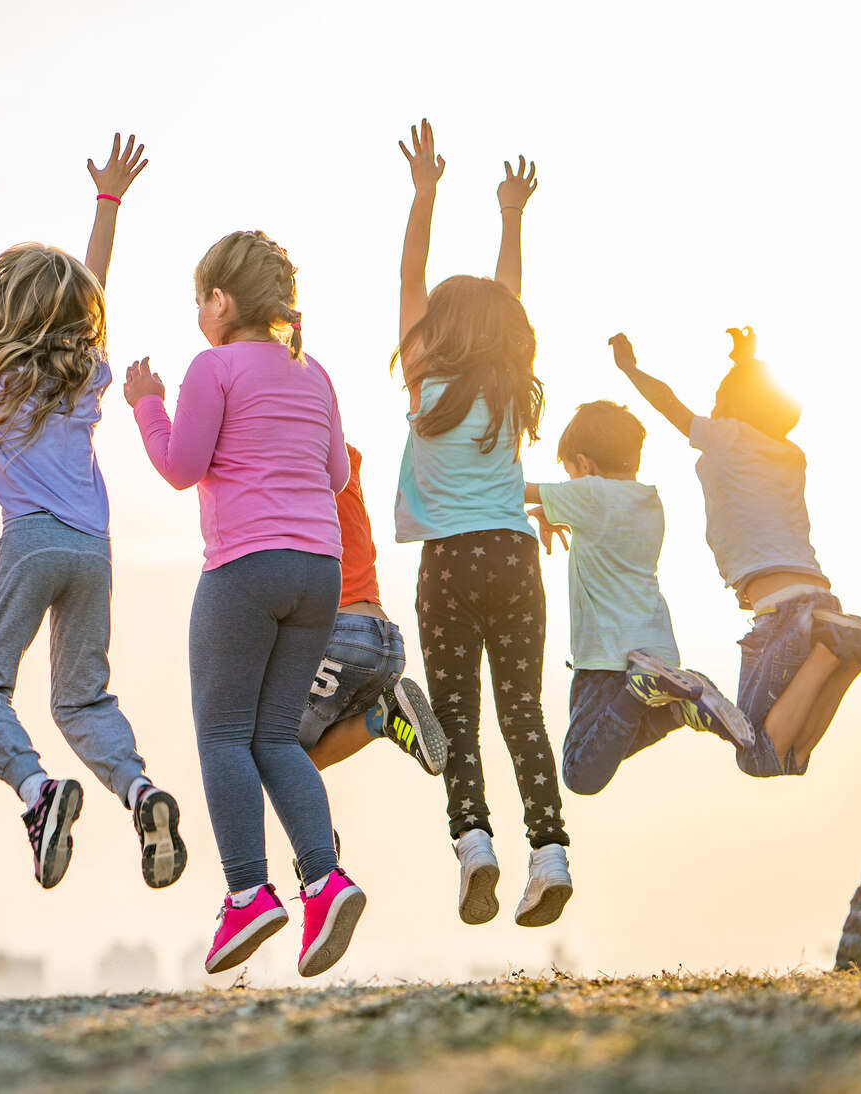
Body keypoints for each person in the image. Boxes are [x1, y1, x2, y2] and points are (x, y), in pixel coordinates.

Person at [0, 106, 186, 892]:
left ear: (2, 313)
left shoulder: (4, 368)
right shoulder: (88, 369)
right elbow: (97, 285)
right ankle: (140, 790)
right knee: (82, 700)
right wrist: (107, 203)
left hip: (31, 541)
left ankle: (37, 793)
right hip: (93, 551)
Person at [128, 229, 366, 980]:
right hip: (319, 572)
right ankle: (325, 880)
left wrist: (147, 405)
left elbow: (179, 466)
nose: (199, 312)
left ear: (221, 301)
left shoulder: (212, 366)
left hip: (244, 570)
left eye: (201, 298)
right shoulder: (314, 370)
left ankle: (247, 892)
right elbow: (333, 475)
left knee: (223, 735)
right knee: (275, 738)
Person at [609, 328, 861, 777]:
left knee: (756, 754)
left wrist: (629, 369)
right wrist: (746, 361)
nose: (712, 408)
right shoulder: (787, 454)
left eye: (719, 399)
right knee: (789, 760)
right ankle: (846, 654)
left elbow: (667, 403)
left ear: (734, 409)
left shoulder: (726, 437)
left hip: (782, 614)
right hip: (816, 597)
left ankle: (830, 652)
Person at [394, 118, 570, 929]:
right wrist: (512, 216)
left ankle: (475, 845)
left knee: (455, 715)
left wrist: (424, 194)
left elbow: (410, 276)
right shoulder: (508, 388)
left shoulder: (424, 386)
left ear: (434, 333)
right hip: (513, 554)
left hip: (449, 565)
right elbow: (510, 299)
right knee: (523, 709)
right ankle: (551, 852)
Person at [524, 400, 755, 797]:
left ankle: (649, 697)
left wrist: (546, 507)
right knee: (609, 742)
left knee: (580, 772)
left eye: (570, 473)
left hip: (607, 660)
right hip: (657, 649)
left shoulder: (591, 495)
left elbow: (507, 487)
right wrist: (556, 511)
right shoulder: (649, 502)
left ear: (586, 464)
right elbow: (605, 524)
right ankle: (677, 706)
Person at [292, 443, 447, 887]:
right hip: (383, 640)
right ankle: (382, 716)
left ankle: (317, 857)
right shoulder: (343, 458)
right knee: (295, 758)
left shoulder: (290, 458)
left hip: (337, 638)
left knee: (268, 750)